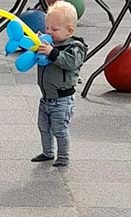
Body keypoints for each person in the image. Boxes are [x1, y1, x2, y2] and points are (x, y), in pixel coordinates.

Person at [30, 1, 86, 168]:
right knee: (43, 127)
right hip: (46, 97)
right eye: (47, 28)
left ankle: (63, 156)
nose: (49, 32)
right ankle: (47, 152)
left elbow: (71, 62)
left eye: (54, 30)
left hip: (62, 99)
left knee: (60, 130)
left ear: (69, 31)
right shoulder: (49, 43)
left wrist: (52, 52)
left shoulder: (74, 47)